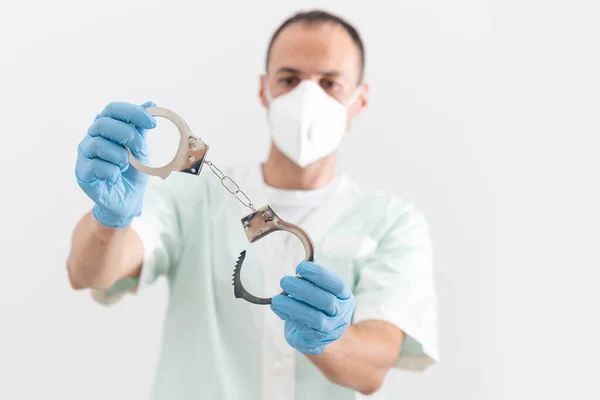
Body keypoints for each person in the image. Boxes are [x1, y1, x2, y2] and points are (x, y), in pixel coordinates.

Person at [67, 9, 439, 400]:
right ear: (264, 90)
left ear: (359, 100)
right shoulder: (194, 196)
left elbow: (373, 368)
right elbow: (87, 273)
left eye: (330, 83)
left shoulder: (394, 223)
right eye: (289, 79)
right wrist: (111, 220)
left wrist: (329, 339)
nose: (306, 97)